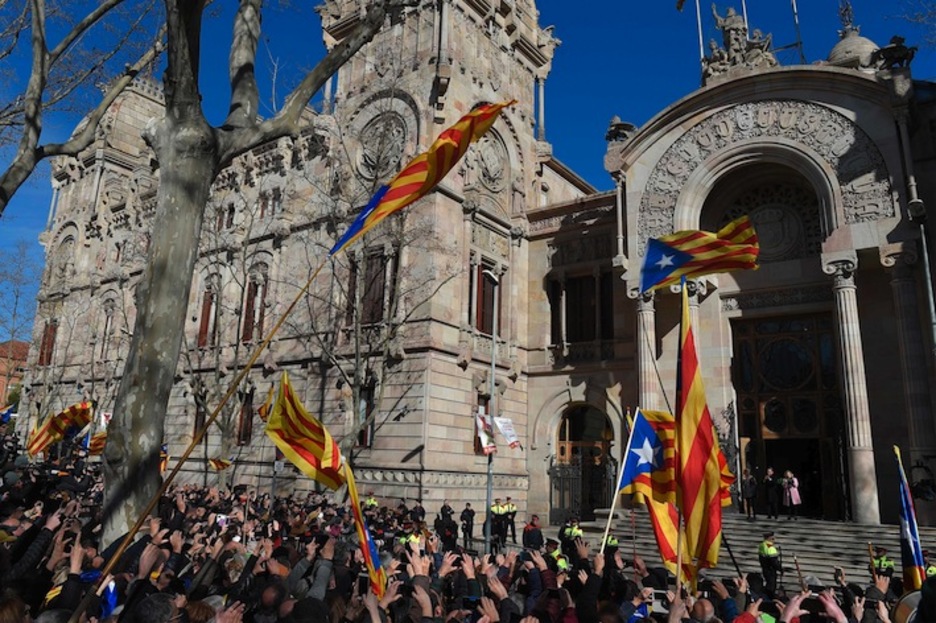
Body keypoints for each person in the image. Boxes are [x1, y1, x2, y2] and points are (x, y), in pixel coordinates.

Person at [758, 531, 782, 597]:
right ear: (769, 538)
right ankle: (769, 599)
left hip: (764, 568)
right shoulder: (770, 548)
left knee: (768, 583)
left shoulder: (762, 545)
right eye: (773, 538)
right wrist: (780, 569)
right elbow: (774, 562)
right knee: (771, 585)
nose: (774, 540)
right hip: (770, 570)